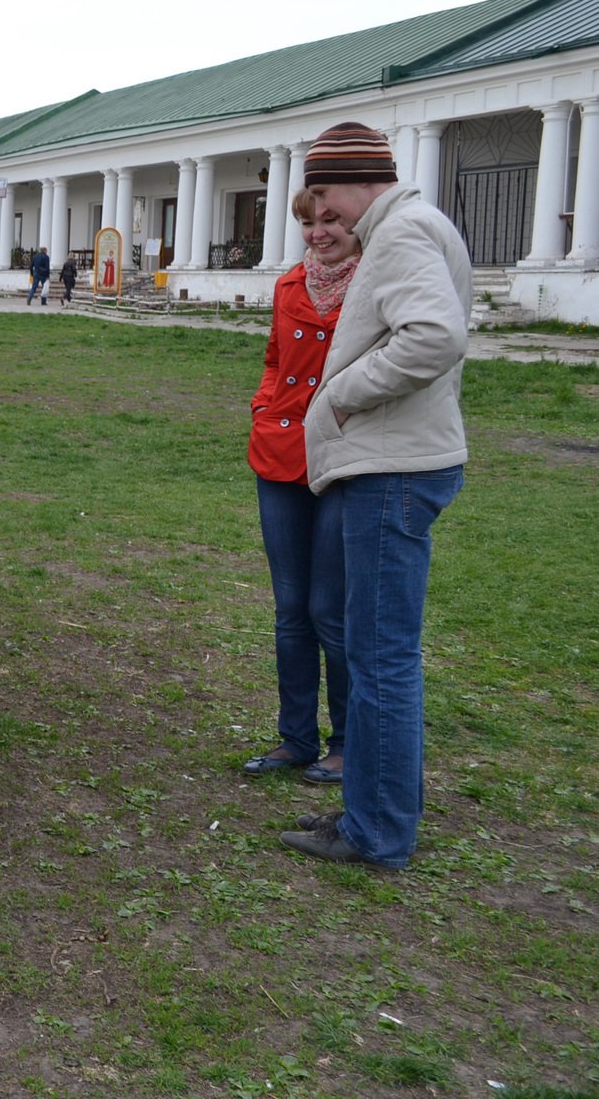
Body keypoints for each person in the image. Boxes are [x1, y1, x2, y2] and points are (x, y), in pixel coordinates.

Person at [282, 122, 472, 870]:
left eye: (323, 193)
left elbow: (432, 335)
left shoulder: (399, 234)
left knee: (381, 656)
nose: (321, 210)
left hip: (392, 468)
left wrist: (343, 395)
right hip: (396, 463)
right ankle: (375, 809)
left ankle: (378, 831)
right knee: (375, 649)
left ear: (358, 180)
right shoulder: (413, 227)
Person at [242, 189, 356, 787]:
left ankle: (345, 744)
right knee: (291, 611)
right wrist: (264, 405)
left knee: (330, 611)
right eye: (309, 223)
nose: (319, 232)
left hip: (341, 461)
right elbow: (274, 357)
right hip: (278, 457)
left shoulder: (375, 283)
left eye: (331, 219)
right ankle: (295, 739)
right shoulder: (289, 285)